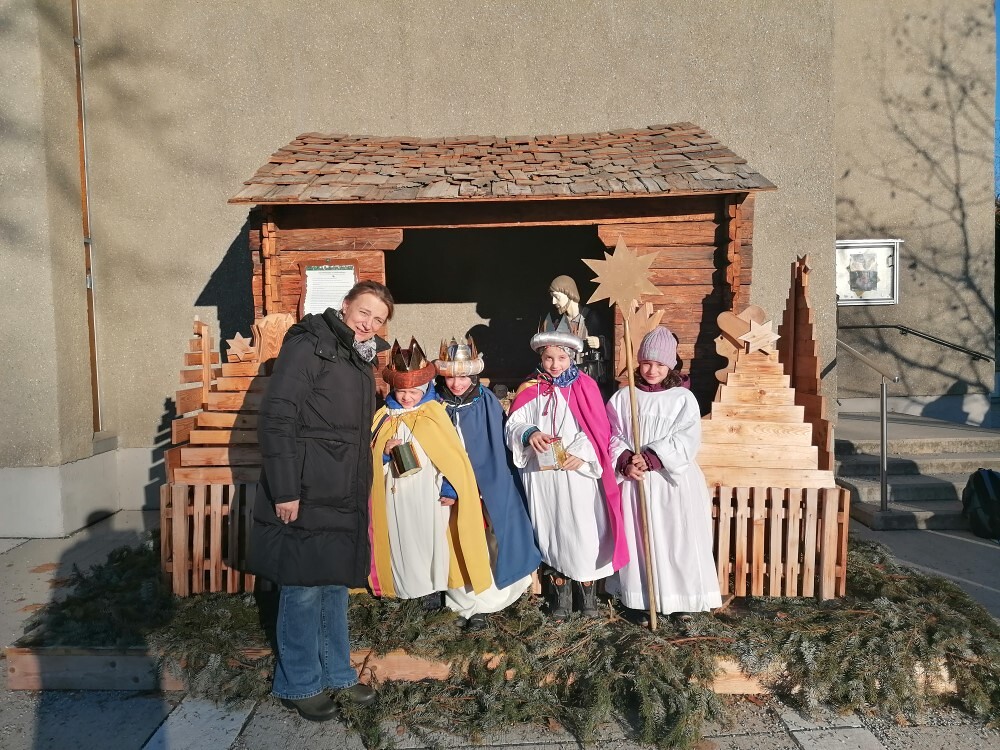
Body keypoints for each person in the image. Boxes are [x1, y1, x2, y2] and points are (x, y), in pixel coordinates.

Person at [247, 280, 393, 722]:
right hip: (307, 487)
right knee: (302, 588)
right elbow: (278, 417)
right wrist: (286, 489)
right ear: (345, 305)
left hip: (342, 488)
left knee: (332, 585)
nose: (368, 323)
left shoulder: (357, 355)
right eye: (364, 312)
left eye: (378, 319)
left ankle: (337, 672)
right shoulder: (311, 344)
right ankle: (298, 682)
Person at [504, 329, 628, 619]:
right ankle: (559, 595)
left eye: (561, 358)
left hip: (577, 474)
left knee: (582, 528)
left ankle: (588, 597)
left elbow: (598, 429)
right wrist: (529, 433)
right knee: (552, 528)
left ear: (572, 357)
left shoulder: (585, 385)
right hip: (543, 475)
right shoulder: (530, 388)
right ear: (541, 357)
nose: (555, 364)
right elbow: (513, 424)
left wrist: (582, 453)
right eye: (549, 358)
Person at [605, 326, 722, 623]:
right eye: (646, 363)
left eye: (659, 364)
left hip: (672, 483)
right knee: (639, 540)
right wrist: (626, 461)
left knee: (677, 539)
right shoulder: (623, 397)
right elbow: (611, 434)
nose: (652, 370)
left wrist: (652, 457)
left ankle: (682, 600)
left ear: (671, 364)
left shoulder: (682, 398)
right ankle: (641, 600)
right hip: (636, 482)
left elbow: (687, 438)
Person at [369, 338, 493, 611]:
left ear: (424, 388)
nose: (407, 397)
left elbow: (454, 457)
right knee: (400, 541)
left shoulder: (435, 413)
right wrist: (384, 453)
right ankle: (402, 592)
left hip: (430, 495)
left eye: (413, 391)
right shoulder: (384, 416)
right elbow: (370, 456)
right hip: (396, 495)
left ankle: (432, 594)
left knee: (431, 542)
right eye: (401, 391)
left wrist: (450, 487)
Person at [433, 337, 542, 630]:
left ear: (473, 376)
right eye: (451, 377)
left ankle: (486, 603)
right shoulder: (435, 404)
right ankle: (461, 603)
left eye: (463, 377)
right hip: (448, 487)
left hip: (487, 483)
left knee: (490, 537)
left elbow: (497, 444)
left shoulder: (485, 401)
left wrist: (486, 484)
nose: (457, 383)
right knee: (455, 541)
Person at [539, 275, 610, 390]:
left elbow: (612, 345)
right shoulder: (559, 322)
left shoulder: (590, 318)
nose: (553, 301)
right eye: (552, 297)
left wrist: (600, 342)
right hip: (565, 380)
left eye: (557, 297)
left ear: (569, 294)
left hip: (587, 379)